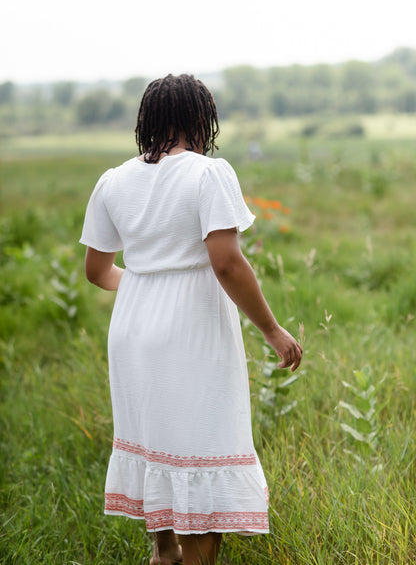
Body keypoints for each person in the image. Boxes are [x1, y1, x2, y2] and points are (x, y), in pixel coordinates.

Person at [80, 74, 302, 565]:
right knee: (201, 441)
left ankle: (164, 554)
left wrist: (145, 284)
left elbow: (97, 271)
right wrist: (271, 328)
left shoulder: (113, 180)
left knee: (153, 435)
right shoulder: (208, 173)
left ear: (149, 122)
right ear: (202, 120)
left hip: (133, 329)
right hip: (191, 328)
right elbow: (225, 261)